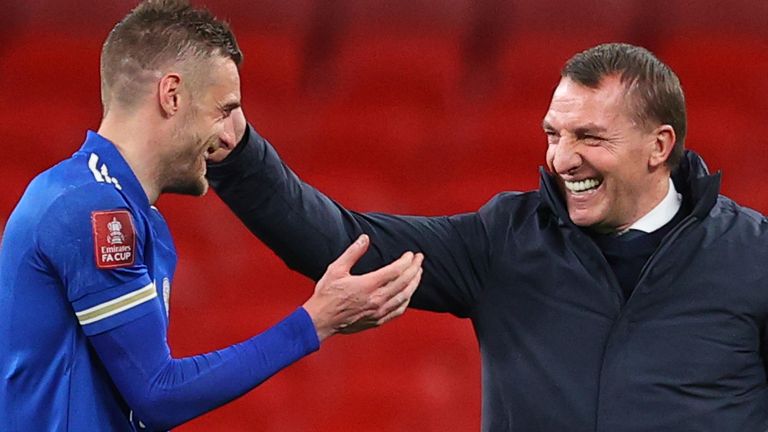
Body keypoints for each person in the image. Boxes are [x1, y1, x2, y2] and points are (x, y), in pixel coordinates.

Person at [207, 42, 768, 431]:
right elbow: (343, 240)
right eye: (554, 133)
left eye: (589, 137)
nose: (562, 158)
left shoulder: (752, 255)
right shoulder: (505, 239)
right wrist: (238, 156)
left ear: (660, 145)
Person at [0, 1, 424, 431]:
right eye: (223, 110)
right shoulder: (92, 210)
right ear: (172, 96)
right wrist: (316, 321)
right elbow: (158, 394)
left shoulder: (120, 210)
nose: (227, 137)